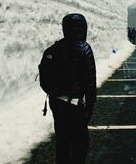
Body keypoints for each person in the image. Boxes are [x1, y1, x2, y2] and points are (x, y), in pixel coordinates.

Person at [39, 13, 96, 163]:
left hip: (57, 104)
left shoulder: (53, 49)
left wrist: (55, 95)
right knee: (80, 143)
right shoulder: (85, 49)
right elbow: (90, 83)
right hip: (76, 106)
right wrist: (89, 107)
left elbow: (44, 81)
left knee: (62, 141)